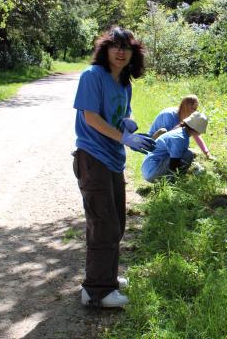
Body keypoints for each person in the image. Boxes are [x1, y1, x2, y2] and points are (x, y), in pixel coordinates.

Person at [72, 26, 156, 308]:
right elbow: (91, 117)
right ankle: (96, 292)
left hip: (113, 159)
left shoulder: (125, 84)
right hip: (92, 158)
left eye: (126, 47)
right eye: (115, 46)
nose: (120, 51)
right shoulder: (92, 76)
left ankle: (107, 277)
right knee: (102, 224)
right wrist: (124, 137)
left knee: (116, 223)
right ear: (105, 49)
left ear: (134, 54)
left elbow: (123, 112)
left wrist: (128, 123)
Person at [142, 112, 208, 183]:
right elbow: (173, 164)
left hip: (149, 169)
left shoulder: (180, 132)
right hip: (153, 171)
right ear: (196, 129)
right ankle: (171, 182)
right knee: (188, 155)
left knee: (187, 153)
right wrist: (180, 177)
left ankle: (169, 180)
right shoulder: (180, 138)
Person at [147, 94, 214, 160]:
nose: (195, 112)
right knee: (188, 153)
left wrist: (207, 153)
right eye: (193, 109)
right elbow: (168, 138)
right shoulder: (169, 115)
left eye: (196, 109)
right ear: (186, 107)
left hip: (168, 141)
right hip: (154, 140)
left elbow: (195, 133)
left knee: (190, 153)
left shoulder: (186, 116)